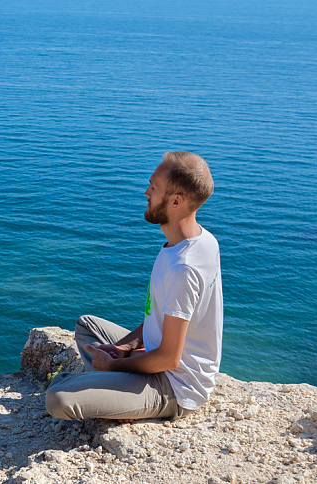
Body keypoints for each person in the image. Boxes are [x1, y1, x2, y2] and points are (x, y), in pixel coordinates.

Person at [45, 151, 223, 421]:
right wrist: (124, 348)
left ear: (176, 201)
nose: (146, 193)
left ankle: (118, 393)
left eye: (154, 188)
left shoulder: (183, 268)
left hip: (174, 386)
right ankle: (115, 389)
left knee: (58, 398)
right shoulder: (201, 240)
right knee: (87, 326)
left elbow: (169, 359)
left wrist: (116, 364)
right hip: (157, 358)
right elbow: (161, 318)